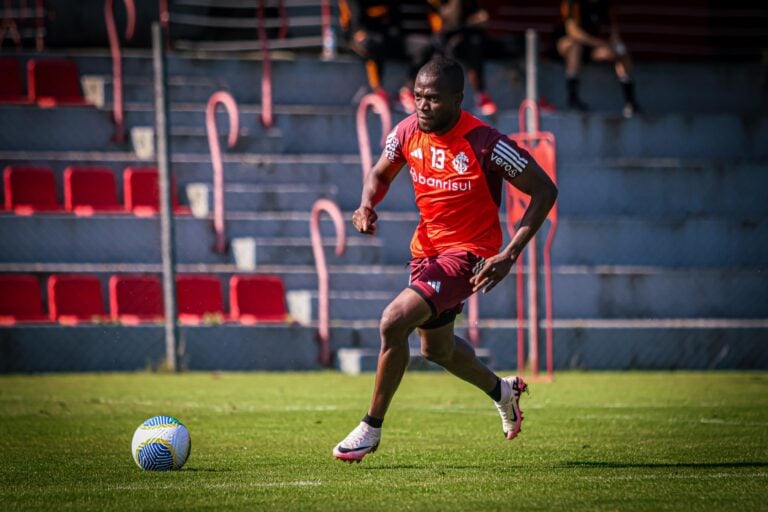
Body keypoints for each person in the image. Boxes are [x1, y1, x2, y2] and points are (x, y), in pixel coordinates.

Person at [332, 56, 558, 463]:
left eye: (433, 98)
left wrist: (509, 254)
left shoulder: (488, 143)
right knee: (437, 351)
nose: (422, 105)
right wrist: (366, 205)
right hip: (426, 254)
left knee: (393, 321)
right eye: (418, 96)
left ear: (457, 99)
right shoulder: (405, 131)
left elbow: (544, 190)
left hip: (469, 256)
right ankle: (502, 392)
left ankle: (370, 427)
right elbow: (380, 174)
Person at [338, 0, 434, 113]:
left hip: (388, 37)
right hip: (363, 38)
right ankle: (378, 92)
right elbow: (356, 25)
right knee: (370, 43)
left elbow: (395, 19)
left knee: (424, 47)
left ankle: (406, 91)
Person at [554, 0, 640, 117]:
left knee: (620, 51)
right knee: (575, 47)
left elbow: (614, 31)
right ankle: (573, 98)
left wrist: (616, 46)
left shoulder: (605, 5)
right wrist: (600, 43)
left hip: (592, 48)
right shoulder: (572, 3)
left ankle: (630, 102)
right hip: (567, 45)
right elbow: (573, 32)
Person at [429, 0, 498, 116]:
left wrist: (477, 20)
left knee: (476, 44)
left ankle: (481, 96)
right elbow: (451, 21)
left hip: (469, 38)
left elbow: (483, 19)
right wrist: (472, 20)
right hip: (447, 40)